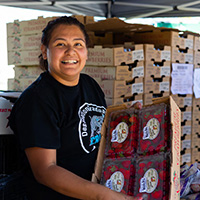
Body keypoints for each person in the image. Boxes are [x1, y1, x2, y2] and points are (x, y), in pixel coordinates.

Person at [8, 16, 140, 200]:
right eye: (60, 44)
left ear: (86, 51)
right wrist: (105, 196)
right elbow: (45, 170)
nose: (71, 51)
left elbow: (100, 130)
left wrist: (129, 116)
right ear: (45, 52)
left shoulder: (90, 85)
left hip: (93, 189)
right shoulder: (37, 100)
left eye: (78, 44)